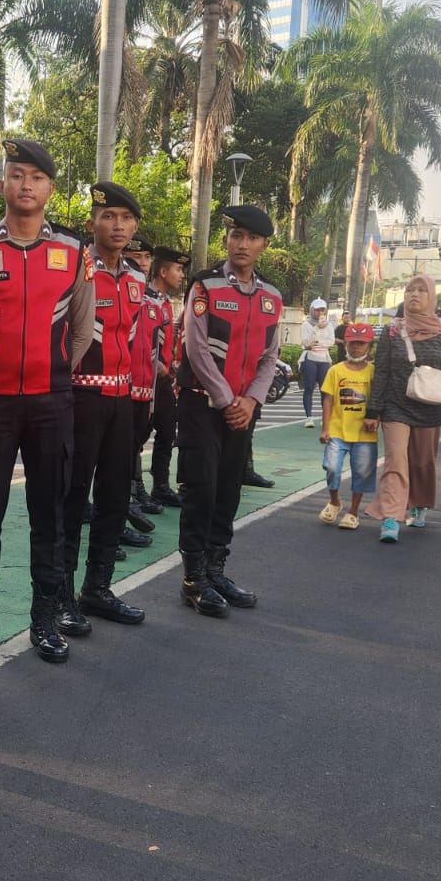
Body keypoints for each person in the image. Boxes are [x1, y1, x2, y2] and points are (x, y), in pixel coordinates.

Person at [0, 138, 94, 664]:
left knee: (52, 514)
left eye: (36, 178)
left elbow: (83, 329)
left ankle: (44, 620)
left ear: (50, 189)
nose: (26, 186)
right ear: (1, 185)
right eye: (16, 175)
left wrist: (56, 370)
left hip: (50, 402)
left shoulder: (73, 251)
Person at [175, 204, 283, 616]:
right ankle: (193, 580)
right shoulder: (204, 286)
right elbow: (196, 348)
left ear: (263, 246)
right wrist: (226, 400)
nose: (242, 244)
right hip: (202, 404)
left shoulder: (272, 296)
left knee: (229, 489)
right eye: (236, 236)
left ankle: (217, 570)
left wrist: (252, 400)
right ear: (227, 240)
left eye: (251, 238)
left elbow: (270, 357)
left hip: (243, 409)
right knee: (200, 489)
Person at [58, 181, 148, 639]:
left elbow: (132, 340)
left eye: (126, 218)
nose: (117, 225)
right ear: (92, 222)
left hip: (122, 401)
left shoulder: (136, 277)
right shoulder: (77, 268)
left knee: (115, 496)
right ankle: (61, 595)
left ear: (134, 227)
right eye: (108, 217)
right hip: (81, 398)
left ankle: (97, 588)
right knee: (73, 499)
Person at [365, 274, 441, 543]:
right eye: (409, 290)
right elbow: (381, 372)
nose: (414, 295)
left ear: (432, 297)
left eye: (421, 290)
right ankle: (391, 517)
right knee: (395, 460)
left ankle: (418, 503)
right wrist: (374, 410)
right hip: (395, 407)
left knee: (422, 462)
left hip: (429, 407)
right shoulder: (392, 330)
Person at [317, 323, 377, 529]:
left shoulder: (374, 373)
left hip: (365, 435)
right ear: (345, 345)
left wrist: (376, 418)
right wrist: (325, 428)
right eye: (352, 344)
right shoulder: (335, 371)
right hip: (337, 431)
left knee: (361, 472)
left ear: (370, 347)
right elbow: (328, 400)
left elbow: (378, 401)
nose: (356, 348)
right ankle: (334, 502)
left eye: (361, 344)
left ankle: (353, 512)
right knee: (332, 467)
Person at [123, 237, 166, 518]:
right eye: (134, 256)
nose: (141, 262)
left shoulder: (153, 302)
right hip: (118, 387)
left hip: (144, 388)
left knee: (135, 443)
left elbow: (155, 345)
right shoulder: (117, 289)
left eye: (146, 257)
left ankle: (134, 489)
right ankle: (124, 500)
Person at [148, 246, 190, 507]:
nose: (181, 275)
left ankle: (160, 485)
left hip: (163, 378)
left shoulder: (164, 301)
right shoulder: (145, 299)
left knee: (166, 430)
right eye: (178, 269)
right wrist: (154, 364)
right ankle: (134, 489)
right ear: (163, 272)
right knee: (137, 435)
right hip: (147, 378)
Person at [298, 298, 335, 429]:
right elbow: (306, 342)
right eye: (317, 309)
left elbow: (331, 341)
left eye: (322, 309)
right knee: (309, 388)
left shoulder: (329, 325)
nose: (320, 312)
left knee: (325, 389)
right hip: (310, 358)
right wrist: (316, 329)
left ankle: (325, 416)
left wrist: (318, 343)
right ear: (312, 310)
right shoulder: (306, 324)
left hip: (324, 358)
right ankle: (309, 417)